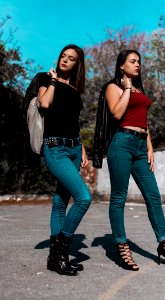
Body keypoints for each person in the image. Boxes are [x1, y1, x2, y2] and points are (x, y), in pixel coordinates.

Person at [94, 49, 165, 270]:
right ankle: (121, 245)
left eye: (139, 62)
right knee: (119, 198)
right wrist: (126, 88)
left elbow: (143, 120)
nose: (137, 65)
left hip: (140, 146)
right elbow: (116, 113)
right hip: (122, 144)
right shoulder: (113, 87)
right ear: (121, 66)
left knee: (153, 195)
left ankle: (164, 242)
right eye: (133, 62)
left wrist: (150, 146)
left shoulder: (139, 89)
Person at [37, 44, 92, 276]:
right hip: (55, 148)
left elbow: (73, 122)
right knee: (83, 198)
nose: (65, 60)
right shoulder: (45, 78)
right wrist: (52, 81)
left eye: (71, 59)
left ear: (77, 64)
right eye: (63, 56)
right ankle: (60, 251)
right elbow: (45, 104)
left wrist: (83, 150)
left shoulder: (75, 89)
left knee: (61, 202)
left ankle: (56, 259)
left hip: (73, 148)